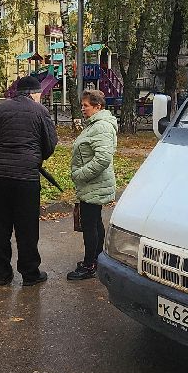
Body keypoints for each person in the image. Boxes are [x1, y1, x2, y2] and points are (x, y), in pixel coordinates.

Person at [0, 74, 57, 285]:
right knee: (27, 228)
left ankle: (2, 275)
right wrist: (34, 158)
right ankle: (30, 274)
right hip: (26, 179)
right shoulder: (41, 111)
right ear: (35, 93)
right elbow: (50, 144)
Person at [67, 88, 118, 281]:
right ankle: (96, 259)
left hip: (93, 183)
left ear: (98, 106)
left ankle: (89, 265)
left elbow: (103, 158)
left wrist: (79, 174)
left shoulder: (101, 126)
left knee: (90, 225)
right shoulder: (95, 124)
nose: (82, 108)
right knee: (94, 222)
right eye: (82, 105)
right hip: (93, 183)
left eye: (86, 105)